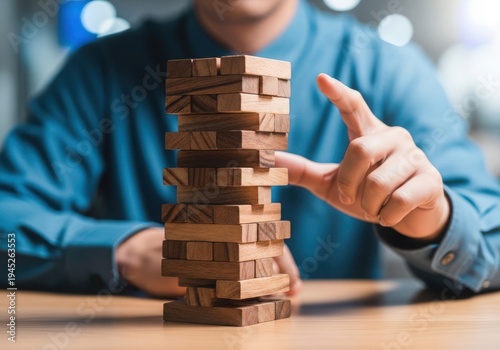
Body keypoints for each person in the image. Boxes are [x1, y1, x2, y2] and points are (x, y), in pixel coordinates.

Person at [1, 0, 499, 297]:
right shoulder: (100, 71)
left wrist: (428, 222)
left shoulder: (389, 71)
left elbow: (492, 240)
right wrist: (128, 251)